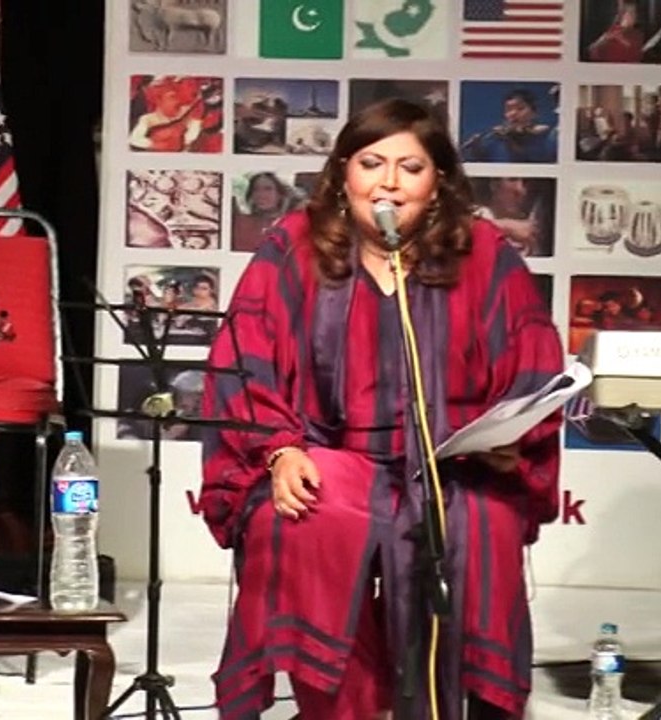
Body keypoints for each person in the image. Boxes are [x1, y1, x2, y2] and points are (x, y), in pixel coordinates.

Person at [199, 98, 564, 719]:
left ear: (440, 180)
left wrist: (510, 437)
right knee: (312, 513)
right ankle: (338, 708)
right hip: (329, 449)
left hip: (450, 459)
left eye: (410, 167)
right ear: (344, 171)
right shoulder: (293, 245)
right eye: (371, 163)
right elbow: (244, 359)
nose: (388, 182)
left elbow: (533, 363)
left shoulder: (482, 251)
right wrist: (280, 451)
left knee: (481, 525)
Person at [460, 88, 557, 163]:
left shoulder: (548, 137)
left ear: (534, 112)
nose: (513, 113)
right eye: (508, 109)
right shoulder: (493, 138)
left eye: (520, 108)